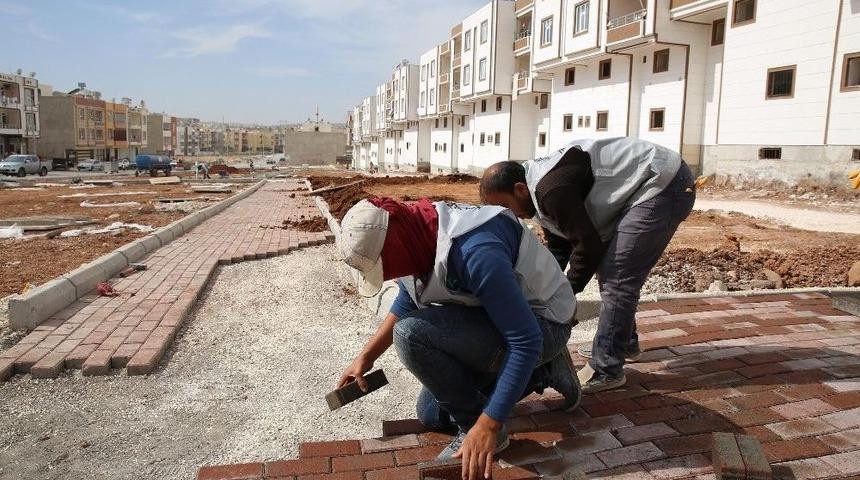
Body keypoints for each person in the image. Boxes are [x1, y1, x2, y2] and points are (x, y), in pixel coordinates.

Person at [337, 197, 580, 480]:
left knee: (411, 335)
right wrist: (365, 357)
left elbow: (525, 342)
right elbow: (409, 297)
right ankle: (544, 370)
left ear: (394, 241)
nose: (389, 275)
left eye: (385, 266)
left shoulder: (474, 251)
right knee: (431, 414)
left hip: (544, 324)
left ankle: (489, 425)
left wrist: (488, 424)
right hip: (505, 320)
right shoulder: (417, 231)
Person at [480, 137, 696, 394]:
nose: (509, 216)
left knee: (617, 278)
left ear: (519, 190)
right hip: (643, 185)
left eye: (505, 207)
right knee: (613, 273)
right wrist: (539, 289)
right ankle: (622, 342)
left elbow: (589, 247)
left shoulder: (550, 189)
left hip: (662, 183)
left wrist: (563, 296)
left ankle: (607, 368)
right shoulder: (536, 194)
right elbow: (561, 247)